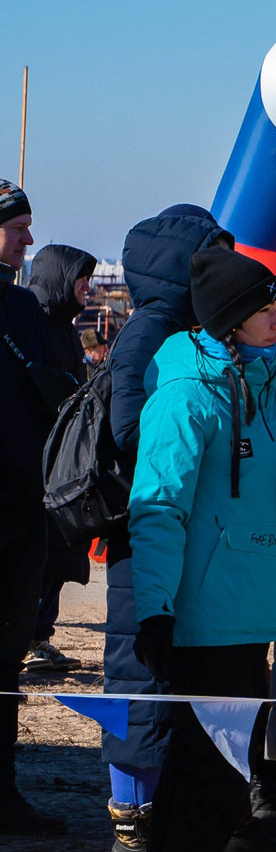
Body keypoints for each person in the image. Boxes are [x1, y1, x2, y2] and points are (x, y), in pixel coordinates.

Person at [128, 249, 276, 852]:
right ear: (232, 320)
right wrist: (154, 609)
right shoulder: (186, 395)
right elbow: (159, 508)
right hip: (204, 613)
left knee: (223, 771)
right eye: (267, 307)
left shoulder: (268, 386)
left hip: (251, 606)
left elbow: (252, 503)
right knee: (204, 772)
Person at [95, 204, 276, 852]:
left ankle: (217, 823)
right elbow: (132, 430)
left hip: (200, 536)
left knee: (202, 696)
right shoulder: (153, 332)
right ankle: (133, 827)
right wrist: (205, 451)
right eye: (215, 254)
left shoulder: (210, 330)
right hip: (149, 530)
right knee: (143, 684)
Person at [0, 185, 78, 835]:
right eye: (16, 227)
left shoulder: (25, 308)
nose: (28, 239)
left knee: (5, 663)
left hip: (22, 516)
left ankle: (3, 791)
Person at [21, 244, 97, 679]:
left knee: (61, 553)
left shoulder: (66, 329)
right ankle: (26, 637)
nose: (86, 287)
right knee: (38, 555)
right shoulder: (29, 322)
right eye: (80, 278)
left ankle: (39, 635)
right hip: (35, 460)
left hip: (63, 461)